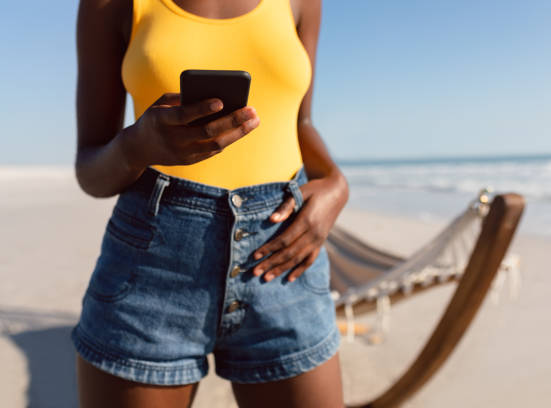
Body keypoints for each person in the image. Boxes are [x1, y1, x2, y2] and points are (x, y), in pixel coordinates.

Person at [71, 0, 349, 407]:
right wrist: (137, 147)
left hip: (283, 260)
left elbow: (300, 123)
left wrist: (337, 185)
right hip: (151, 267)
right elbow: (90, 169)